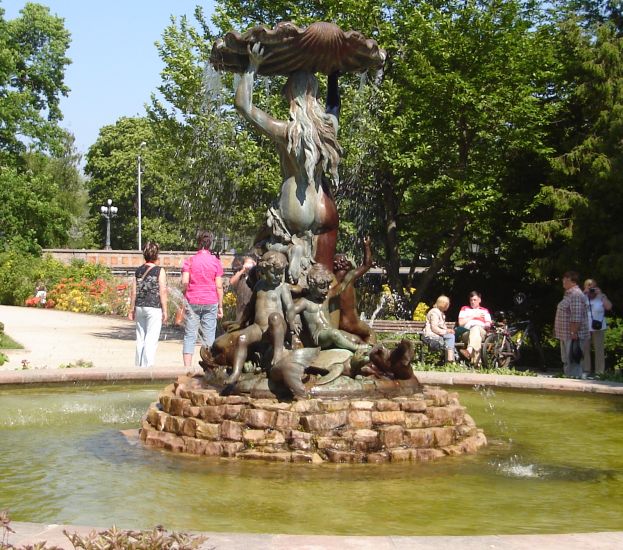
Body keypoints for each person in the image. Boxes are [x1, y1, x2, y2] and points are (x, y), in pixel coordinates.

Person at [235, 43, 341, 271]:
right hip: (324, 206)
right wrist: (333, 77)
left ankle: (292, 249)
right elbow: (334, 108)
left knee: (262, 247)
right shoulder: (328, 129)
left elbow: (243, 105)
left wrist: (253, 66)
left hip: (296, 205)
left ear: (292, 96)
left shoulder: (286, 131)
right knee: (321, 273)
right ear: (315, 95)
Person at [225, 250, 295, 387]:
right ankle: (236, 372)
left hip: (277, 328)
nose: (278, 276)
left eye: (281, 273)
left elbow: (290, 307)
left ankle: (278, 354)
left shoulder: (282, 288)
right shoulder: (259, 286)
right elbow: (250, 307)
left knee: (274, 317)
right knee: (242, 338)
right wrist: (240, 322)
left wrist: (292, 322)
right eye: (274, 272)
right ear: (263, 270)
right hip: (258, 328)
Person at [290, 264, 368, 353]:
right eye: (322, 287)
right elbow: (290, 311)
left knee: (354, 338)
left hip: (330, 333)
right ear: (312, 285)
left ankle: (367, 351)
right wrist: (292, 324)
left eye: (327, 286)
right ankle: (357, 348)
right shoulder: (305, 302)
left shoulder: (326, 297)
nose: (326, 290)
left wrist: (353, 273)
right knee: (334, 334)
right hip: (319, 337)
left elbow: (343, 284)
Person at [182, 230, 224, 367]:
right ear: (210, 244)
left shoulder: (190, 261)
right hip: (210, 300)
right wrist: (221, 306)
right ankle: (208, 367)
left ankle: (187, 368)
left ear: (198, 243)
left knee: (190, 335)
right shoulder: (215, 262)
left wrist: (186, 294)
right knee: (209, 336)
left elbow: (184, 281)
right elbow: (219, 286)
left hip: (193, 300)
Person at [128, 241, 168, 368]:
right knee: (151, 338)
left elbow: (134, 291)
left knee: (140, 338)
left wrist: (131, 309)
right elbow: (162, 291)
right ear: (156, 255)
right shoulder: (159, 271)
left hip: (140, 306)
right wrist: (165, 310)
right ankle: (147, 367)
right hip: (153, 307)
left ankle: (138, 366)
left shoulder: (138, 270)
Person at [332, 236, 377, 344]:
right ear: (345, 264)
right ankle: (371, 358)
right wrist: (366, 246)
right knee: (370, 333)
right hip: (352, 323)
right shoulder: (350, 276)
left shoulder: (330, 279)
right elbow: (367, 264)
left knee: (358, 340)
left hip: (338, 324)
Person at [554, 271, 589, 378]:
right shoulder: (569, 294)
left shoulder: (576, 294)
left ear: (573, 281)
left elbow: (576, 316)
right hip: (565, 334)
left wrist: (574, 332)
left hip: (573, 335)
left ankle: (574, 381)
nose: (563, 281)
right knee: (567, 360)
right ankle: (568, 378)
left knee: (573, 360)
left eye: (566, 279)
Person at [582, 278, 612, 376]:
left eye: (593, 286)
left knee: (599, 349)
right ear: (585, 287)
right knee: (585, 349)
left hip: (598, 327)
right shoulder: (583, 297)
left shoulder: (601, 296)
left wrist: (601, 295)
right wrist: (583, 293)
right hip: (585, 327)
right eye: (589, 286)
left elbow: (608, 307)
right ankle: (586, 370)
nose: (592, 289)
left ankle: (599, 372)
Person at [457, 291, 492, 365]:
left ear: (479, 300)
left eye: (474, 300)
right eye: (471, 300)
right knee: (476, 335)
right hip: (466, 333)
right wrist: (474, 316)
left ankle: (469, 351)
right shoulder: (464, 309)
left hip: (482, 332)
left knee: (476, 328)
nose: (472, 302)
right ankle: (476, 364)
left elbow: (488, 323)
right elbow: (461, 323)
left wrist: (486, 326)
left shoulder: (484, 311)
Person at [424, 295, 456, 363]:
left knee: (451, 336)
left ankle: (450, 359)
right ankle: (450, 359)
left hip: (439, 334)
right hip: (432, 335)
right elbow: (434, 328)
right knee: (450, 336)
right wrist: (446, 331)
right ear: (444, 304)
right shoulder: (435, 312)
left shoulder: (440, 313)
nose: (449, 305)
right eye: (448, 304)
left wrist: (448, 331)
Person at [228, 255, 256, 325]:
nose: (249, 266)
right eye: (247, 263)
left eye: (250, 264)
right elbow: (232, 282)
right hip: (241, 306)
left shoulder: (256, 275)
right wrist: (243, 270)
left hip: (252, 305)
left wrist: (255, 266)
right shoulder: (241, 275)